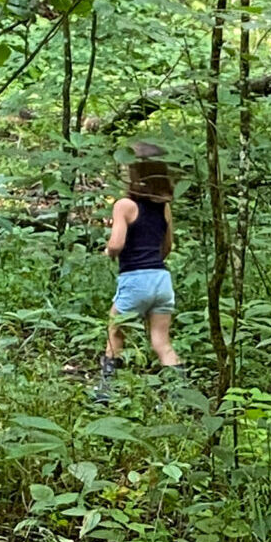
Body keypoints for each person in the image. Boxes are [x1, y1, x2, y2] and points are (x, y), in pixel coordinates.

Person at [104, 145, 178, 376]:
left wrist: (108, 252)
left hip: (135, 279)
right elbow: (167, 246)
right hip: (162, 280)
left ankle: (104, 392)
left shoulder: (124, 205)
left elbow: (116, 244)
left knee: (115, 333)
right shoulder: (164, 206)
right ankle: (181, 393)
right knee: (162, 343)